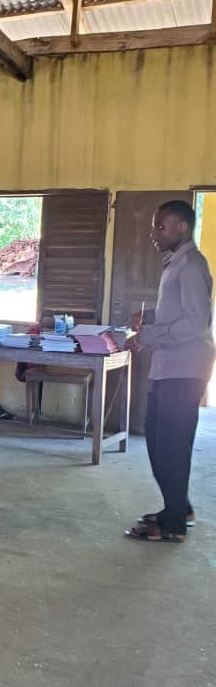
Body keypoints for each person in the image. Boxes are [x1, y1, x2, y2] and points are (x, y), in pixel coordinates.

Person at [126, 200, 215, 543]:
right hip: (170, 366)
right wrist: (148, 319)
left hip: (185, 368)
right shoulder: (175, 264)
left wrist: (148, 336)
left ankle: (174, 525)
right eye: (154, 225)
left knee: (173, 444)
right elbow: (178, 315)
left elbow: (195, 324)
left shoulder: (191, 265)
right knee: (160, 438)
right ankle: (179, 507)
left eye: (160, 226)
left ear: (182, 227)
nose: (153, 233)